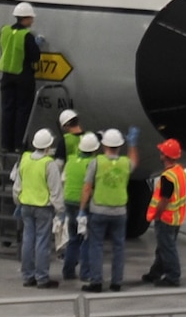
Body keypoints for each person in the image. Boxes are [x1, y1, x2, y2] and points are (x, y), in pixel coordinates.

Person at [80, 128, 135, 292]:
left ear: (103, 145)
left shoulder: (96, 162)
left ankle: (96, 282)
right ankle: (116, 282)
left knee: (96, 246)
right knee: (119, 247)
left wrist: (82, 210)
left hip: (99, 210)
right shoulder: (125, 163)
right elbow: (134, 162)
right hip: (119, 212)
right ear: (119, 146)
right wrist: (132, 145)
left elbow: (87, 188)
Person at [15, 127, 65, 289]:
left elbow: (17, 185)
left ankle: (28, 276)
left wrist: (17, 201)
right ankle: (42, 278)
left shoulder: (25, 158)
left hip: (25, 205)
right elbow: (55, 190)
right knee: (42, 243)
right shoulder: (49, 164)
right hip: (43, 207)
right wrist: (61, 210)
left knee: (27, 240)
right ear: (49, 147)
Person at [0, 2, 44, 151]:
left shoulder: (4, 31)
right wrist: (37, 45)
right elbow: (35, 57)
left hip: (6, 76)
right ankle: (19, 145)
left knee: (7, 110)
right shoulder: (26, 36)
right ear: (26, 18)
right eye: (31, 18)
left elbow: (3, 46)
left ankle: (6, 145)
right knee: (22, 111)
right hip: (23, 76)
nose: (33, 21)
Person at [141, 137, 186, 287]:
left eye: (162, 152)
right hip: (176, 218)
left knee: (167, 248)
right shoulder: (179, 172)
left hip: (166, 218)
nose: (159, 153)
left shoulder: (168, 177)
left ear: (166, 156)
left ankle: (173, 277)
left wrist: (158, 215)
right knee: (163, 247)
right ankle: (155, 272)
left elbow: (164, 200)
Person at [59, 130, 99, 282]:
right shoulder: (91, 163)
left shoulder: (71, 160)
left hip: (68, 201)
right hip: (84, 204)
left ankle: (68, 271)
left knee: (73, 239)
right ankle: (85, 273)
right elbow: (89, 186)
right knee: (87, 240)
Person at [54, 109, 88, 273]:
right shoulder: (88, 139)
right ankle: (85, 266)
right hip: (87, 189)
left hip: (69, 187)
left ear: (66, 125)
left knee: (70, 231)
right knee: (86, 234)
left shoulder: (64, 141)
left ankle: (68, 264)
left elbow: (58, 166)